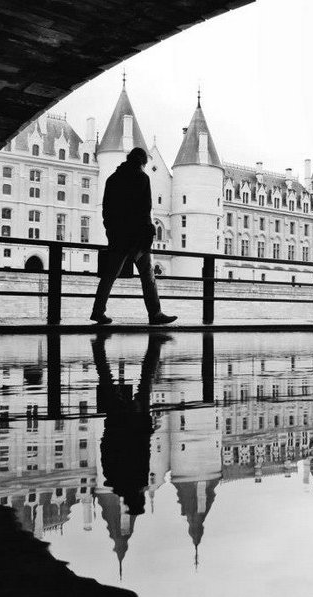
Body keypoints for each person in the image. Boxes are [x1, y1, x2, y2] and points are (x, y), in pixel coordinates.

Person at [91, 147, 177, 326]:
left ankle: (98, 311)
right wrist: (147, 235)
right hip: (136, 239)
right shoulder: (141, 178)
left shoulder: (112, 179)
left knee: (109, 275)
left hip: (118, 237)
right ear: (143, 163)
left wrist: (111, 231)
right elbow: (145, 210)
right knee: (147, 275)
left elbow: (107, 210)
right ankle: (155, 313)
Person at [93, 331, 170, 515]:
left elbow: (143, 452)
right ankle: (97, 350)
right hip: (117, 425)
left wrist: (147, 430)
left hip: (133, 424)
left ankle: (154, 349)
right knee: (108, 381)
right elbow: (107, 454)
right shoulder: (115, 481)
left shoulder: (138, 481)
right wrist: (108, 433)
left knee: (145, 381)